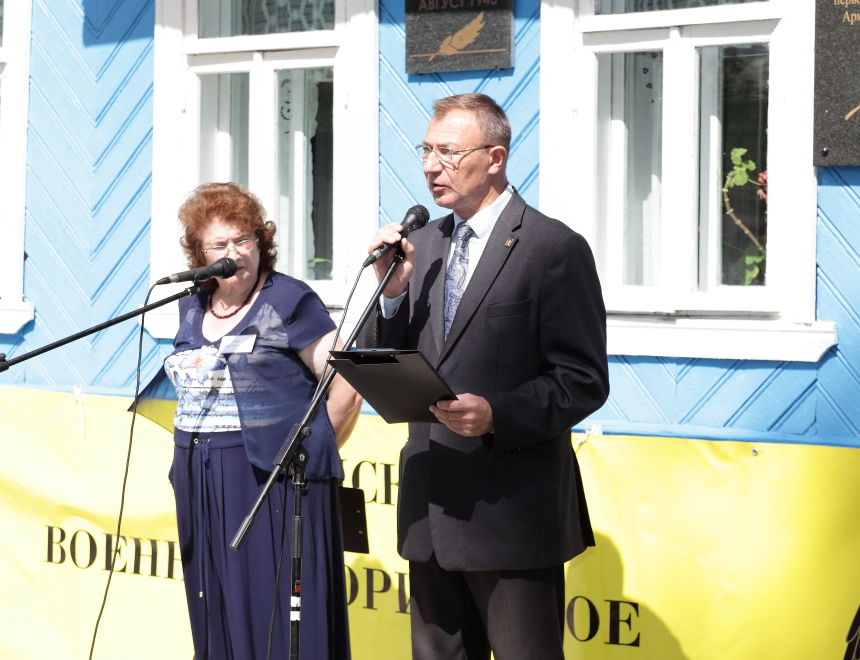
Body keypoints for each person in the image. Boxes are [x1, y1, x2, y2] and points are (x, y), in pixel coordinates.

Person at [360, 94, 609, 660]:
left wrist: (498, 413)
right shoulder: (420, 245)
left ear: (494, 157)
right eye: (426, 150)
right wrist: (391, 295)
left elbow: (583, 380)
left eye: (448, 152)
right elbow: (388, 359)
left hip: (511, 517)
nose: (430, 166)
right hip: (429, 510)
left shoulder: (553, 248)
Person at [158, 182, 360, 659]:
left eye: (244, 239)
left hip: (267, 482)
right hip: (200, 479)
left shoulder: (287, 300)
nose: (235, 253)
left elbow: (346, 388)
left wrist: (301, 462)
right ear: (200, 254)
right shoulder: (191, 304)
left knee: (271, 614)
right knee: (216, 608)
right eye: (220, 245)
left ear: (260, 242)